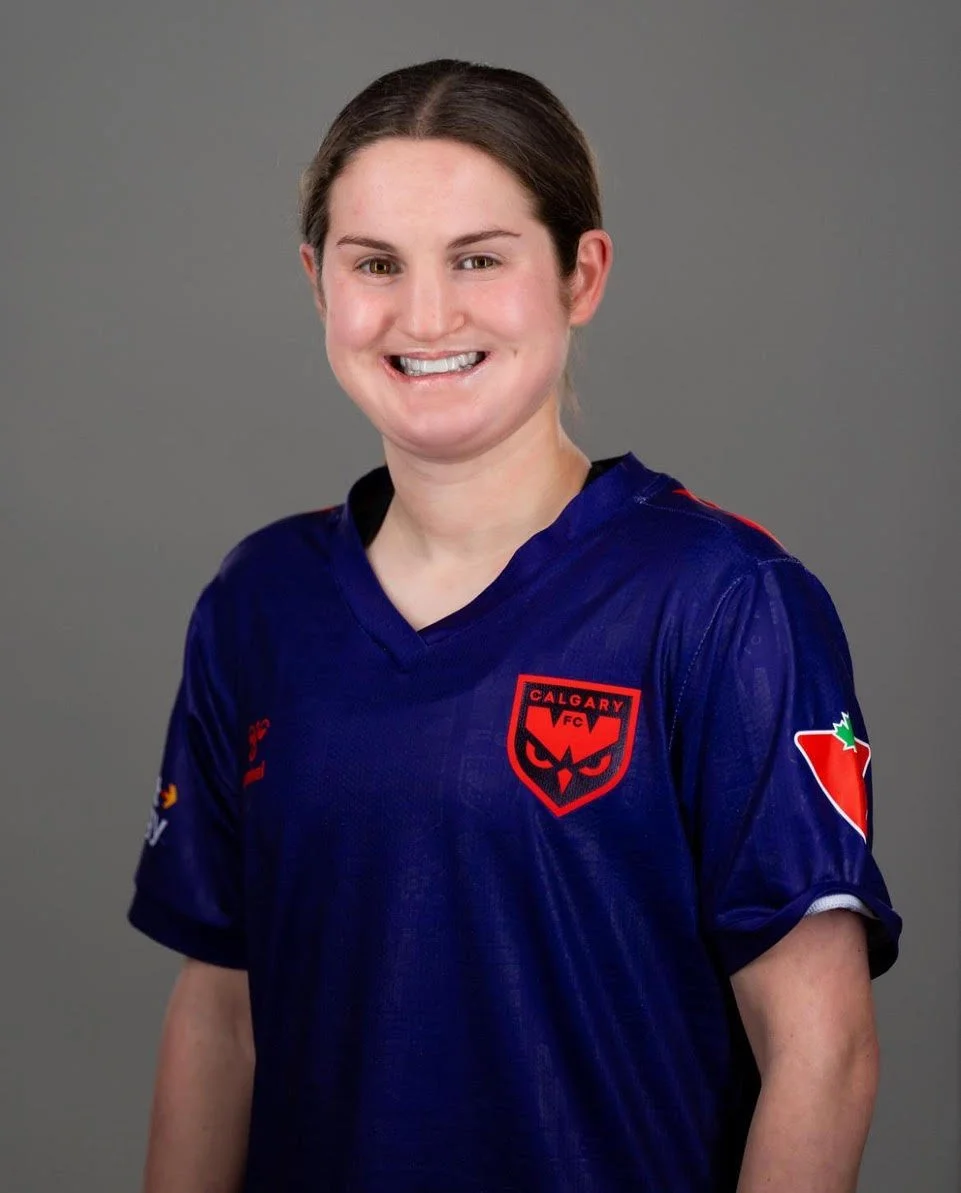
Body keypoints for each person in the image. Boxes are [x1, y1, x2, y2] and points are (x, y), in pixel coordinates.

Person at [128, 59, 901, 1193]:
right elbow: (222, 1014)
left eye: (478, 259)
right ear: (316, 282)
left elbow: (819, 1052)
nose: (425, 315)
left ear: (581, 274)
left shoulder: (722, 598)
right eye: (375, 264)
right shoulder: (259, 603)